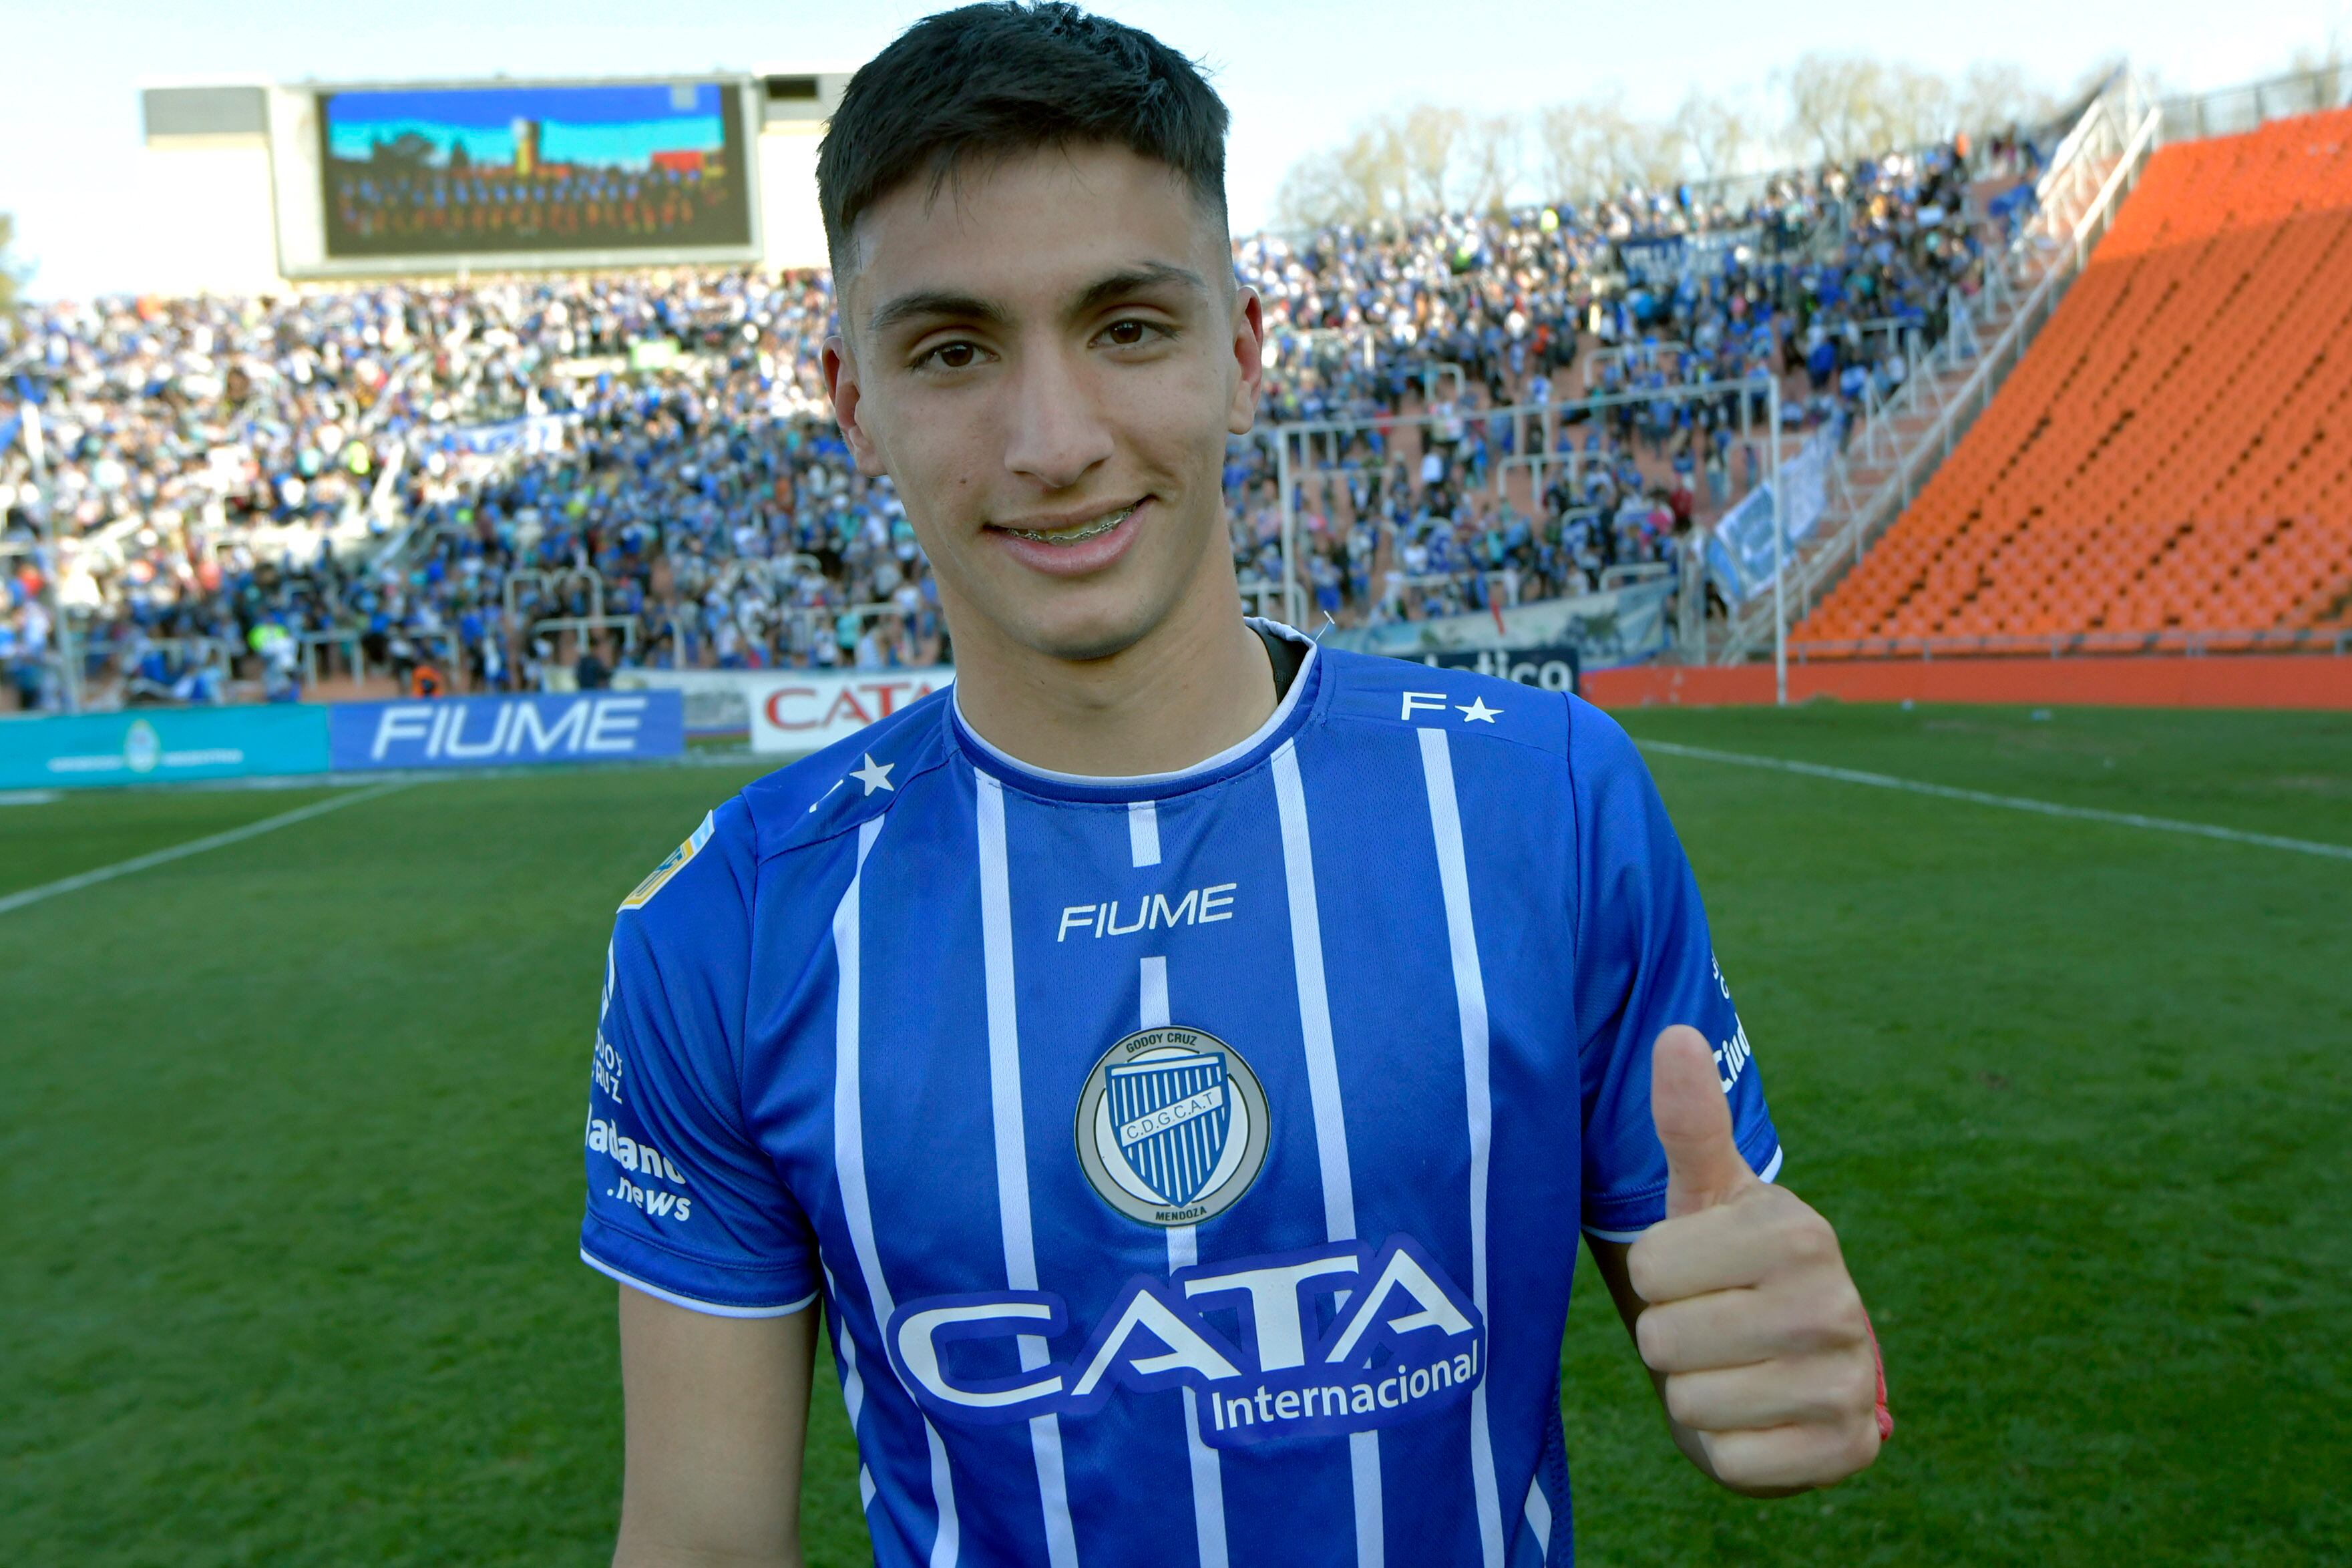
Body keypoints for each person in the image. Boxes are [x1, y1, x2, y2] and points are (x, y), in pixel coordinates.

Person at [581, 8, 1885, 1567]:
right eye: (952, 351)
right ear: (852, 399)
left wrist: (1780, 1355)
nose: (1055, 441)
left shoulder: (1544, 801)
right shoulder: (728, 926)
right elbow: (703, 1542)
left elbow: (1733, 1296)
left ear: (1245, 355)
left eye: (1129, 327)